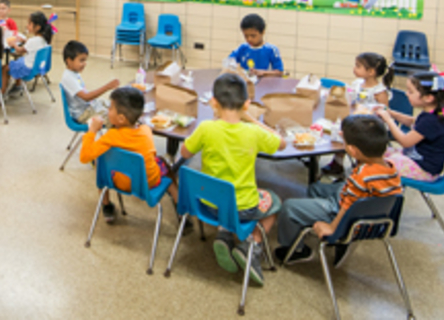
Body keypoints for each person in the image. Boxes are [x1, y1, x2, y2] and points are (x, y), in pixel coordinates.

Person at [179, 73, 285, 285]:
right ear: (247, 104)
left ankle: (224, 235)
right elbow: (281, 143)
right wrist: (252, 119)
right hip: (243, 208)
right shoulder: (253, 132)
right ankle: (251, 246)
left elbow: (184, 153)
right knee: (274, 201)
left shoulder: (206, 128)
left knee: (222, 191)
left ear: (213, 102)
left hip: (207, 205)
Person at [275, 115, 402, 265]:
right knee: (317, 188)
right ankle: (309, 223)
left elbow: (346, 206)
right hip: (368, 213)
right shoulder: (390, 166)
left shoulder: (361, 176)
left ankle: (296, 250)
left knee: (289, 207)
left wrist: (332, 228)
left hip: (347, 219)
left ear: (353, 151)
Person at [79, 87, 178, 222]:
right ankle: (180, 209)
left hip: (118, 182)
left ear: (121, 118)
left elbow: (84, 157)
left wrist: (91, 131)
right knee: (165, 166)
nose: (107, 110)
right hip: (146, 184)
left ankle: (106, 205)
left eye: (110, 108)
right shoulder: (146, 130)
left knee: (100, 160)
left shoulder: (111, 136)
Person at [322, 52, 393, 176]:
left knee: (353, 138)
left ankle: (360, 168)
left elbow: (385, 112)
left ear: (371, 72)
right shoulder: (357, 83)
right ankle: (337, 163)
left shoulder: (379, 91)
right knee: (340, 131)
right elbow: (351, 98)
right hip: (355, 121)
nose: (354, 69)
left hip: (370, 129)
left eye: (358, 66)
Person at [375, 71, 444, 182]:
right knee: (376, 151)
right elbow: (413, 122)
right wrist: (391, 113)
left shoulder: (431, 121)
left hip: (424, 170)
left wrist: (388, 119)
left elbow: (405, 141)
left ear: (428, 98)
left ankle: (390, 196)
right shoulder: (433, 113)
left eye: (411, 92)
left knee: (379, 163)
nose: (407, 94)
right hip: (416, 159)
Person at [60, 40, 119, 123]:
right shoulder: (68, 77)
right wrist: (108, 87)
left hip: (88, 107)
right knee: (115, 118)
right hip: (83, 114)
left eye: (85, 60)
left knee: (114, 106)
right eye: (81, 60)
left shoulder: (74, 73)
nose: (85, 64)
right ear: (69, 61)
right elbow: (86, 97)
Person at [2, 12, 52, 93]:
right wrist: (25, 40)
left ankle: (2, 93)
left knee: (4, 68)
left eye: (29, 23)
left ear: (38, 27)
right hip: (37, 68)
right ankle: (18, 86)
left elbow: (19, 51)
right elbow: (33, 45)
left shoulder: (32, 41)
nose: (27, 26)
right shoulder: (44, 39)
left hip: (27, 69)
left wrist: (14, 44)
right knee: (18, 61)